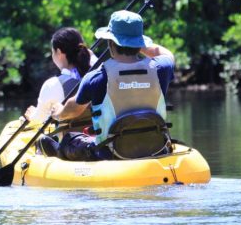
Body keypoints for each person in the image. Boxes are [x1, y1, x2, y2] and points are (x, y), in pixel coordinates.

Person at [46, 10, 175, 161]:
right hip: (156, 149)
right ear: (139, 43)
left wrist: (58, 113)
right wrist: (137, 43)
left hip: (111, 154)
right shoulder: (162, 68)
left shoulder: (96, 77)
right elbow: (167, 54)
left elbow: (72, 110)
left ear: (111, 43)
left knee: (69, 139)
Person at [24, 27, 97, 122]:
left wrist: (31, 115)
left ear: (58, 51)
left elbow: (38, 120)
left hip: (67, 136)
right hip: (94, 133)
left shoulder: (52, 85)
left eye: (52, 51)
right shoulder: (97, 76)